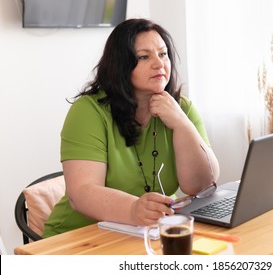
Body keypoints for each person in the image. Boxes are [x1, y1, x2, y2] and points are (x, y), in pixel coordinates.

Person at [43, 18, 220, 237]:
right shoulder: (89, 111)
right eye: (144, 57)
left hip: (147, 233)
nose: (159, 63)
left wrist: (182, 124)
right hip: (80, 236)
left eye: (163, 54)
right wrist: (133, 209)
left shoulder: (181, 107)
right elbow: (80, 193)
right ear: (121, 65)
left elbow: (201, 186)